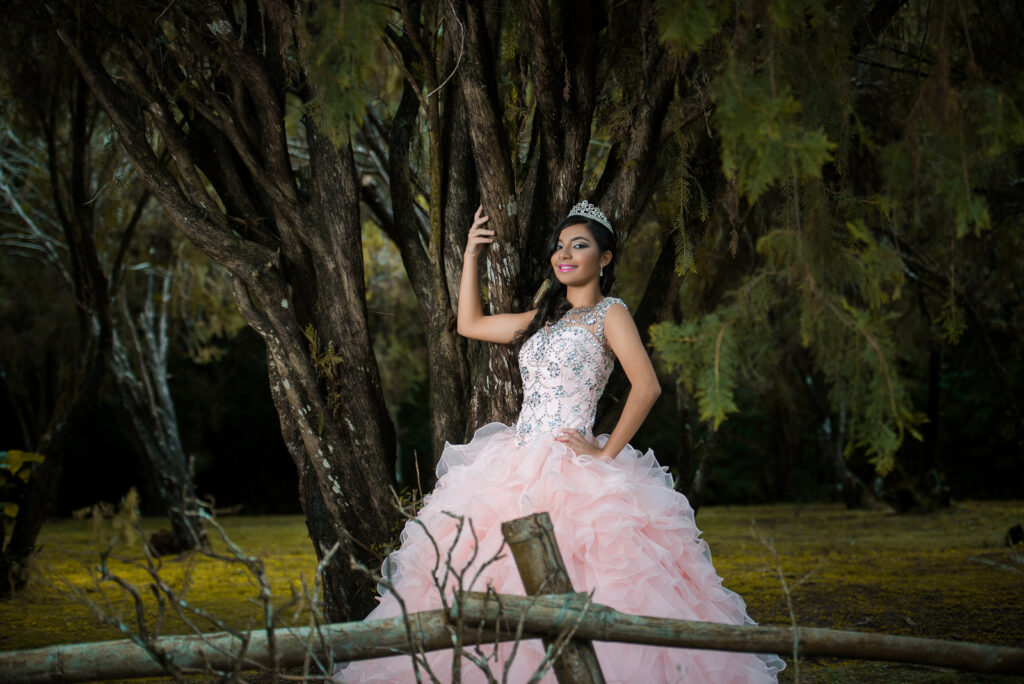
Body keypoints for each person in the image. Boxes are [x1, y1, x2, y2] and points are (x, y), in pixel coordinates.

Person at [334, 202, 784, 683]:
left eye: (580, 245)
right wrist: (470, 255)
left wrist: (604, 453)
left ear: (605, 259)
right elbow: (469, 324)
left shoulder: (610, 313)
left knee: (592, 575)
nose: (564, 254)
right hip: (515, 461)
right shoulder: (543, 317)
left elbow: (646, 385)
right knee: (486, 573)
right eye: (560, 246)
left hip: (573, 465)